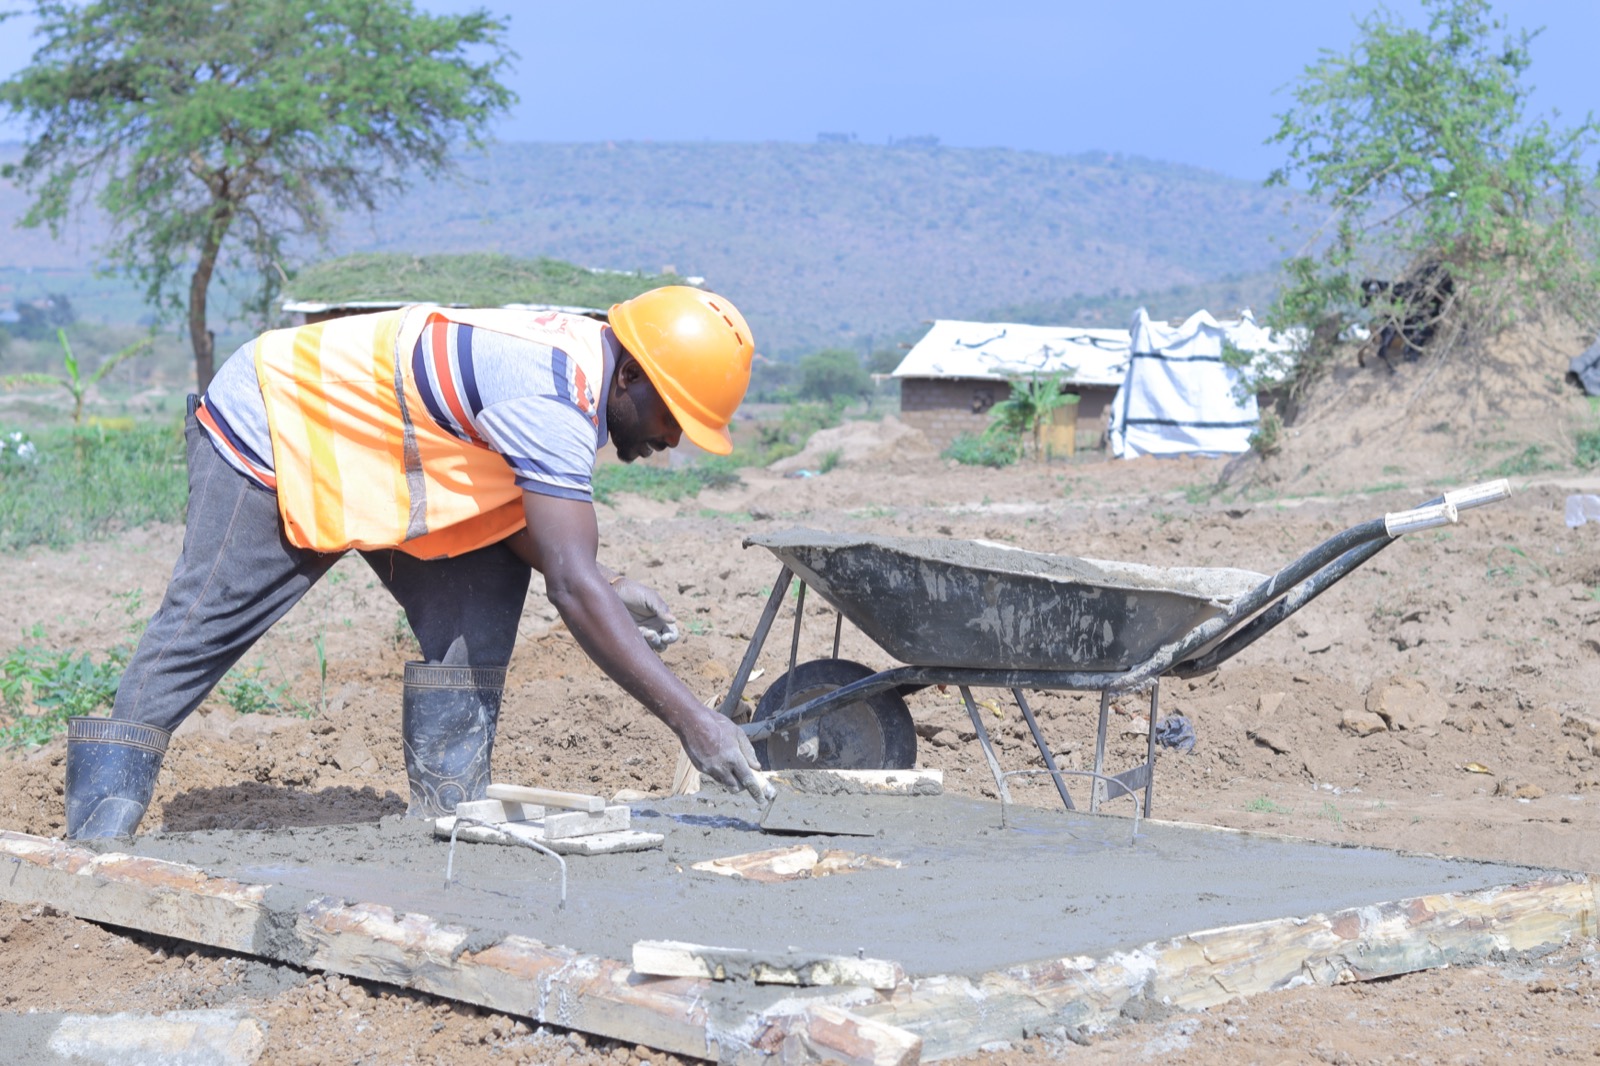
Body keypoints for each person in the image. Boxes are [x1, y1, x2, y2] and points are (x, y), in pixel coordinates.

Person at [64, 286, 771, 839]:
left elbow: (527, 533)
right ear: (627, 378)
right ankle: (97, 834)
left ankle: (446, 819)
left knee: (487, 589)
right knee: (204, 623)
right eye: (671, 416)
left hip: (395, 451)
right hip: (282, 420)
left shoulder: (583, 376)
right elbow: (570, 584)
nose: (669, 441)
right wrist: (694, 721)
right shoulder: (552, 393)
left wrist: (609, 588)